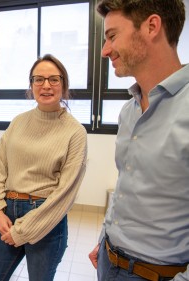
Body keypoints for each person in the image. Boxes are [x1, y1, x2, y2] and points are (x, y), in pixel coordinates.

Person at [88, 1, 189, 280]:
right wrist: (106, 236)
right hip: (109, 261)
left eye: (112, 36)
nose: (105, 50)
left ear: (152, 27)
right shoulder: (129, 110)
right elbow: (127, 184)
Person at [0, 54, 87, 281]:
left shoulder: (75, 132)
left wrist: (23, 231)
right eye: (38, 79)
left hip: (46, 219)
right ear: (31, 85)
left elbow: (65, 194)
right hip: (8, 214)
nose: (46, 85)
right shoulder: (19, 122)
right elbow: (0, 167)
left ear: (64, 85)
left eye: (54, 79)